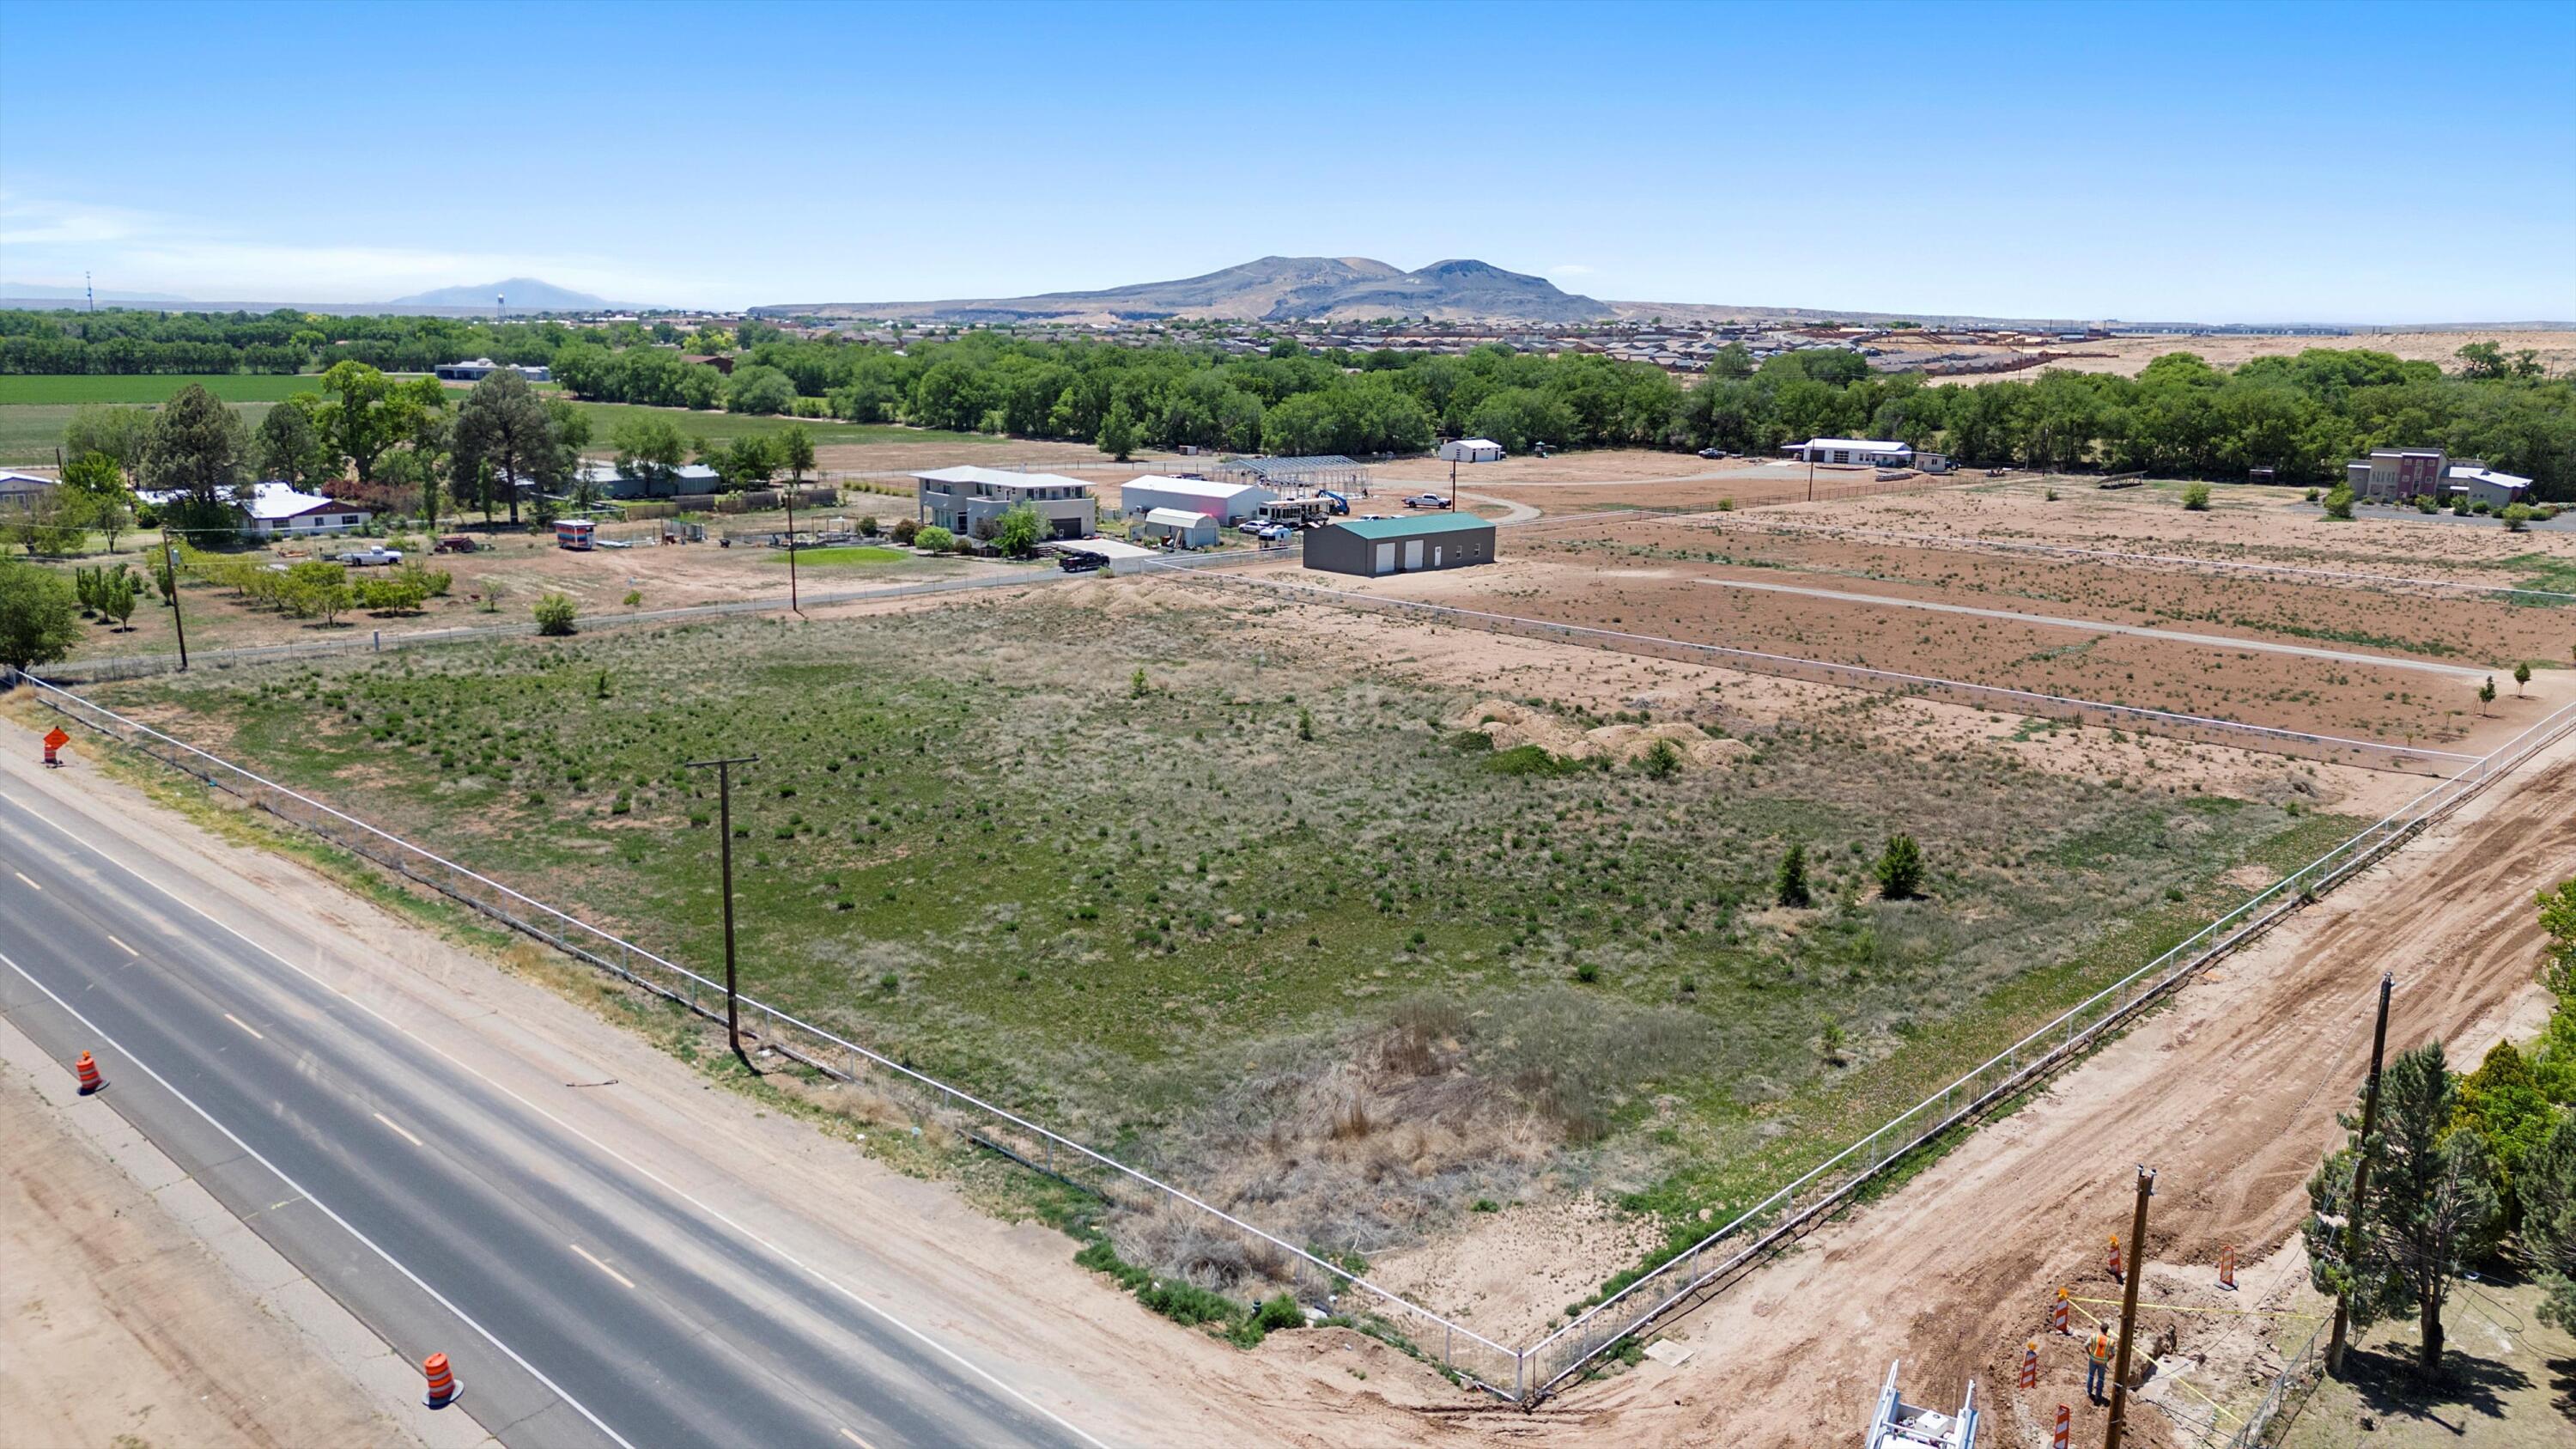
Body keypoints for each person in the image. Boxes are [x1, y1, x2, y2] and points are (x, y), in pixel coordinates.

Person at [2086, 1330, 2113, 1402]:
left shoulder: (2094, 1336)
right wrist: (2107, 1359)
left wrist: (2090, 1354)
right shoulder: (2110, 1341)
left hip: (2093, 1359)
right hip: (2103, 1362)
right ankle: (2098, 1396)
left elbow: (2086, 1345)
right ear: (2107, 1331)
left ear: (2100, 1329)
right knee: (2101, 1378)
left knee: (2091, 1375)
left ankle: (2088, 1391)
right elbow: (2113, 1353)